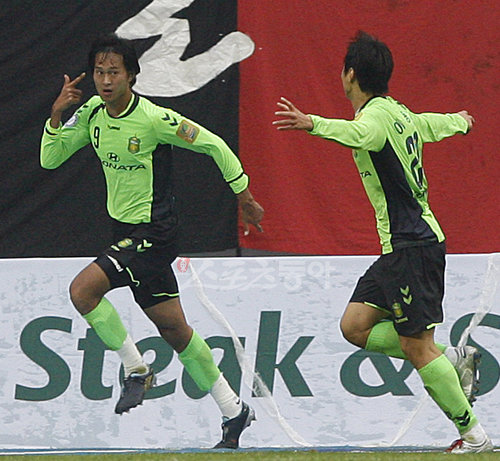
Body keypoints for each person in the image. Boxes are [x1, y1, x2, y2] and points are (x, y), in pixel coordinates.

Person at [40, 33, 263, 449]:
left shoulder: (155, 120)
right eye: (100, 72)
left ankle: (137, 370)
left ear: (132, 76)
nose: (106, 80)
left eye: (114, 72)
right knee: (175, 330)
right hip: (124, 234)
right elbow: (50, 158)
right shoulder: (91, 113)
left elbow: (215, 145)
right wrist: (56, 117)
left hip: (153, 234)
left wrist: (244, 196)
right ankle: (234, 410)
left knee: (82, 291)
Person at [273, 31, 492, 454]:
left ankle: (474, 437)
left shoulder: (373, 119)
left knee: (416, 347)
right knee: (354, 326)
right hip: (402, 248)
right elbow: (430, 124)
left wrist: (311, 123)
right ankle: (453, 358)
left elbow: (357, 134)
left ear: (350, 74)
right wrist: (460, 121)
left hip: (413, 246)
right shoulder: (399, 112)